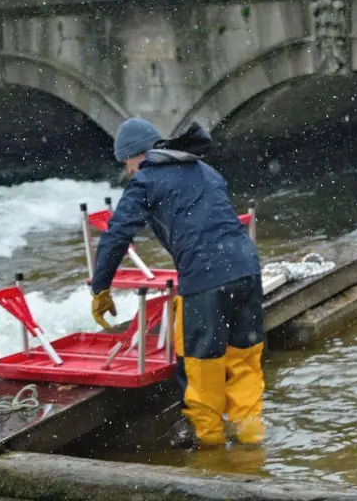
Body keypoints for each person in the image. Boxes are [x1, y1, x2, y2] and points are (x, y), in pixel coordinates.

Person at [88, 118, 266, 448]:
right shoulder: (205, 170)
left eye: (126, 162)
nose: (128, 171)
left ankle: (209, 454)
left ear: (137, 156)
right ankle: (251, 443)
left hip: (204, 279)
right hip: (248, 270)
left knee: (202, 366)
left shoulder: (145, 180)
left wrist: (100, 286)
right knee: (244, 361)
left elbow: (116, 236)